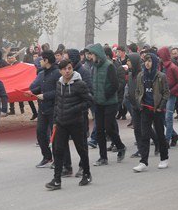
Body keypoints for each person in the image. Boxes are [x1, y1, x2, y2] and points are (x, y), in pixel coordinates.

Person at [45, 59, 93, 190]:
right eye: (64, 69)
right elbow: (57, 103)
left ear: (72, 69)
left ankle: (87, 173)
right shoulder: (59, 84)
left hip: (76, 123)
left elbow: (89, 101)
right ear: (60, 71)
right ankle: (57, 180)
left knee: (81, 149)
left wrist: (74, 109)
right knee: (58, 150)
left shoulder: (80, 84)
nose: (67, 71)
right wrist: (55, 120)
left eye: (69, 68)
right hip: (61, 123)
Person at [86, 44, 126, 165]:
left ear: (97, 54)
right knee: (99, 131)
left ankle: (120, 146)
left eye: (91, 54)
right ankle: (103, 157)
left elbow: (115, 85)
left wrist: (105, 95)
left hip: (110, 103)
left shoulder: (109, 66)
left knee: (108, 128)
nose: (90, 57)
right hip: (98, 103)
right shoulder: (94, 67)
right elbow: (93, 83)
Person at [133, 52, 170, 172]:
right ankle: (143, 161)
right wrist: (139, 103)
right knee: (145, 135)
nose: (147, 63)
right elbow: (138, 91)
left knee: (160, 134)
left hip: (157, 110)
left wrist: (161, 106)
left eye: (150, 61)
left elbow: (166, 93)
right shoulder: (141, 76)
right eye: (146, 61)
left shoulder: (161, 76)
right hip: (145, 109)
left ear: (154, 62)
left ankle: (164, 158)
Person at [30, 50, 62, 169]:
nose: (40, 62)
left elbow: (59, 91)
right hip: (43, 108)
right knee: (40, 133)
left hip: (54, 108)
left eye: (41, 59)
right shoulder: (41, 73)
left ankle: (57, 159)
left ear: (46, 60)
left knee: (55, 137)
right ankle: (47, 157)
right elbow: (35, 87)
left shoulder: (58, 73)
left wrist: (46, 95)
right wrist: (33, 92)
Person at [157, 47, 178, 147]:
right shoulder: (160, 66)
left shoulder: (173, 67)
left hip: (171, 95)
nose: (159, 57)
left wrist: (171, 91)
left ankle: (167, 139)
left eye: (160, 55)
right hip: (162, 95)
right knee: (163, 117)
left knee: (168, 117)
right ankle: (173, 135)